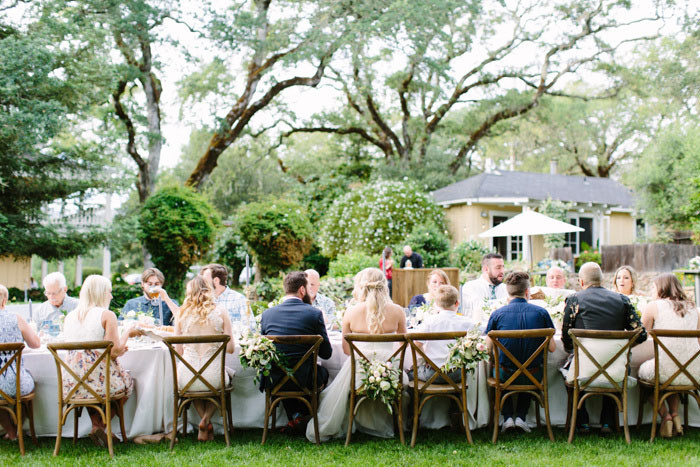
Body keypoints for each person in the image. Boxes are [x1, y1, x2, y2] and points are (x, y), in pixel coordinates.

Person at [307, 267, 407, 442]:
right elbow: (402, 345)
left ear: (360, 287)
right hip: (391, 373)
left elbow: (346, 351)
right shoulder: (398, 311)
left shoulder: (351, 312)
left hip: (359, 373)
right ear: (384, 286)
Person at [561, 262, 647, 435]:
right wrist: (624, 348)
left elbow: (566, 338)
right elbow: (641, 333)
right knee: (615, 366)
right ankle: (608, 422)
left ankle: (582, 420)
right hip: (616, 369)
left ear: (581, 282)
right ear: (602, 280)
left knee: (565, 368)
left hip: (583, 369)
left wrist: (573, 350)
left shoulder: (574, 299)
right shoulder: (622, 300)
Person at [63, 275, 142, 445]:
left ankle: (96, 427)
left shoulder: (69, 317)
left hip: (72, 384)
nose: (112, 296)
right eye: (109, 292)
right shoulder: (106, 315)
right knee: (127, 382)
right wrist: (128, 332)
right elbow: (114, 352)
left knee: (93, 385)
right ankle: (101, 426)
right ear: (101, 293)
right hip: (100, 383)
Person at [260, 271, 332, 433]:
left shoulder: (267, 314)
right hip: (306, 379)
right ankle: (306, 416)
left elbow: (262, 349)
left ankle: (297, 416)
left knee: (288, 371)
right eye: (308, 287)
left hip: (275, 379)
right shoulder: (314, 314)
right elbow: (327, 353)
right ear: (302, 290)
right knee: (322, 373)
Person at [485, 272, 556, 433]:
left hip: (505, 375)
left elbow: (488, 348)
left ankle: (508, 417)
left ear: (507, 292)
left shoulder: (497, 314)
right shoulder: (541, 313)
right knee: (527, 365)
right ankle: (521, 417)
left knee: (499, 363)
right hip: (534, 374)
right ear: (527, 292)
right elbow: (552, 348)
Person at [638, 273, 700, 438]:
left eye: (653, 287)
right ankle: (675, 416)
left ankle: (665, 416)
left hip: (665, 370)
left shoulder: (654, 306)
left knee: (645, 377)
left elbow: (641, 334)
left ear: (661, 288)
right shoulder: (694, 308)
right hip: (693, 372)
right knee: (674, 372)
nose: (652, 290)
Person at [175, 275, 235, 441]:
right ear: (209, 290)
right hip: (215, 378)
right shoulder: (221, 312)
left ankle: (203, 421)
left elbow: (178, 350)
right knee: (217, 378)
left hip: (186, 379)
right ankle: (206, 419)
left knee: (194, 378)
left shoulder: (181, 313)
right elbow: (230, 348)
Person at [410, 285, 475, 382]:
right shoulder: (466, 322)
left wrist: (426, 360)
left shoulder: (430, 321)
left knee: (410, 373)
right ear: (457, 303)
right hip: (457, 374)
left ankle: (417, 396)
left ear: (436, 303)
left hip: (432, 374)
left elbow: (417, 344)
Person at [0, 284, 40, 440]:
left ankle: (10, 431)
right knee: (31, 382)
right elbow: (36, 344)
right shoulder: (16, 318)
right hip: (15, 384)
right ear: (5, 301)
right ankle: (18, 428)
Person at [461, 253, 508, 323]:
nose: (502, 271)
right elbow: (480, 308)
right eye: (498, 267)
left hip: (503, 331)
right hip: (479, 332)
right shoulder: (470, 287)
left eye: (503, 267)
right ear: (486, 269)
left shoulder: (506, 288)